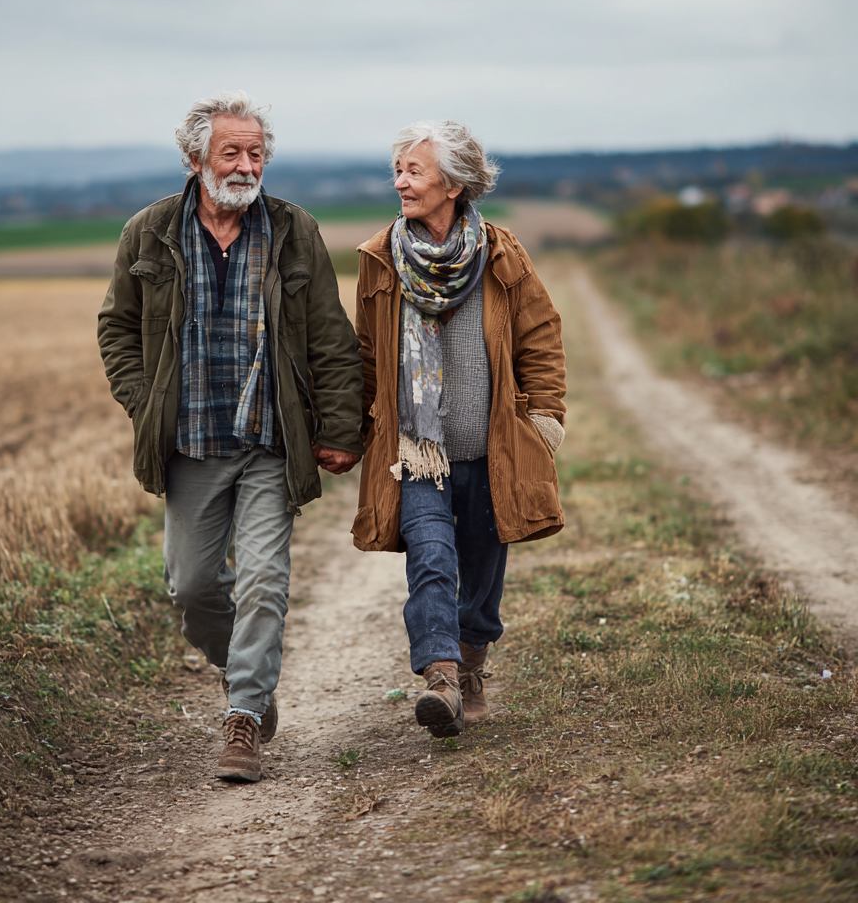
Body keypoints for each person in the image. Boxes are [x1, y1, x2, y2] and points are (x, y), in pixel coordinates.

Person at [98, 92, 363, 781]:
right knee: (190, 588)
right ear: (195, 159)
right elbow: (117, 329)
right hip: (189, 444)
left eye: (256, 153)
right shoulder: (149, 233)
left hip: (272, 443)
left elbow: (332, 339)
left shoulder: (292, 230)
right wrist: (142, 402)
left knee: (266, 582)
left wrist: (339, 428)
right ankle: (236, 668)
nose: (247, 165)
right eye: (232, 153)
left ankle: (243, 715)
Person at [352, 121, 566, 738]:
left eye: (413, 171)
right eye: (398, 171)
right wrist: (354, 430)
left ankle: (473, 660)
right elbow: (366, 354)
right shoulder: (378, 259)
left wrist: (544, 418)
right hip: (418, 453)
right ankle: (442, 678)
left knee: (482, 566)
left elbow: (540, 336)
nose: (400, 183)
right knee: (432, 559)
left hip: (491, 449)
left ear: (453, 183)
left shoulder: (502, 253)